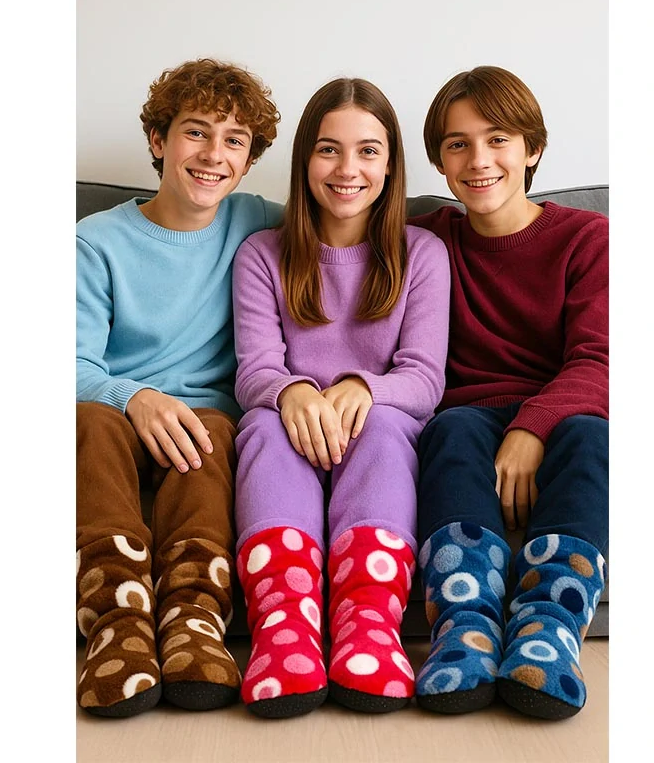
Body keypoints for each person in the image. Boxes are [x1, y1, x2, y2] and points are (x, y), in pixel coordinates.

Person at [231, 77, 451, 719]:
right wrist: (292, 391)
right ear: (305, 159)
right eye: (329, 149)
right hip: (289, 431)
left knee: (383, 426)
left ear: (391, 164)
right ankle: (285, 630)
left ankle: (369, 629)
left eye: (368, 151)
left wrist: (362, 387)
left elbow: (423, 378)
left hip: (379, 435)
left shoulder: (423, 253)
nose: (347, 169)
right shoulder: (262, 254)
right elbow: (255, 370)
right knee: (262, 428)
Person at [76, 58, 282, 718]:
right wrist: (134, 397)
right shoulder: (95, 242)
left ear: (248, 160)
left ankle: (194, 619)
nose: (213, 155)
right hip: (115, 418)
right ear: (159, 139)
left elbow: (346, 233)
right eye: (196, 132)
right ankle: (118, 622)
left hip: (205, 427)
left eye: (234, 140)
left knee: (216, 429)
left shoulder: (260, 223)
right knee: (87, 421)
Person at [410, 66, 608, 720]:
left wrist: (532, 426)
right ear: (440, 160)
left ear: (533, 148)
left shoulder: (588, 238)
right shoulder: (425, 240)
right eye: (458, 144)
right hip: (464, 416)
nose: (479, 160)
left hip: (562, 414)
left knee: (593, 437)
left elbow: (602, 358)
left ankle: (548, 632)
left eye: (498, 139)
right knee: (450, 430)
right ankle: (464, 629)